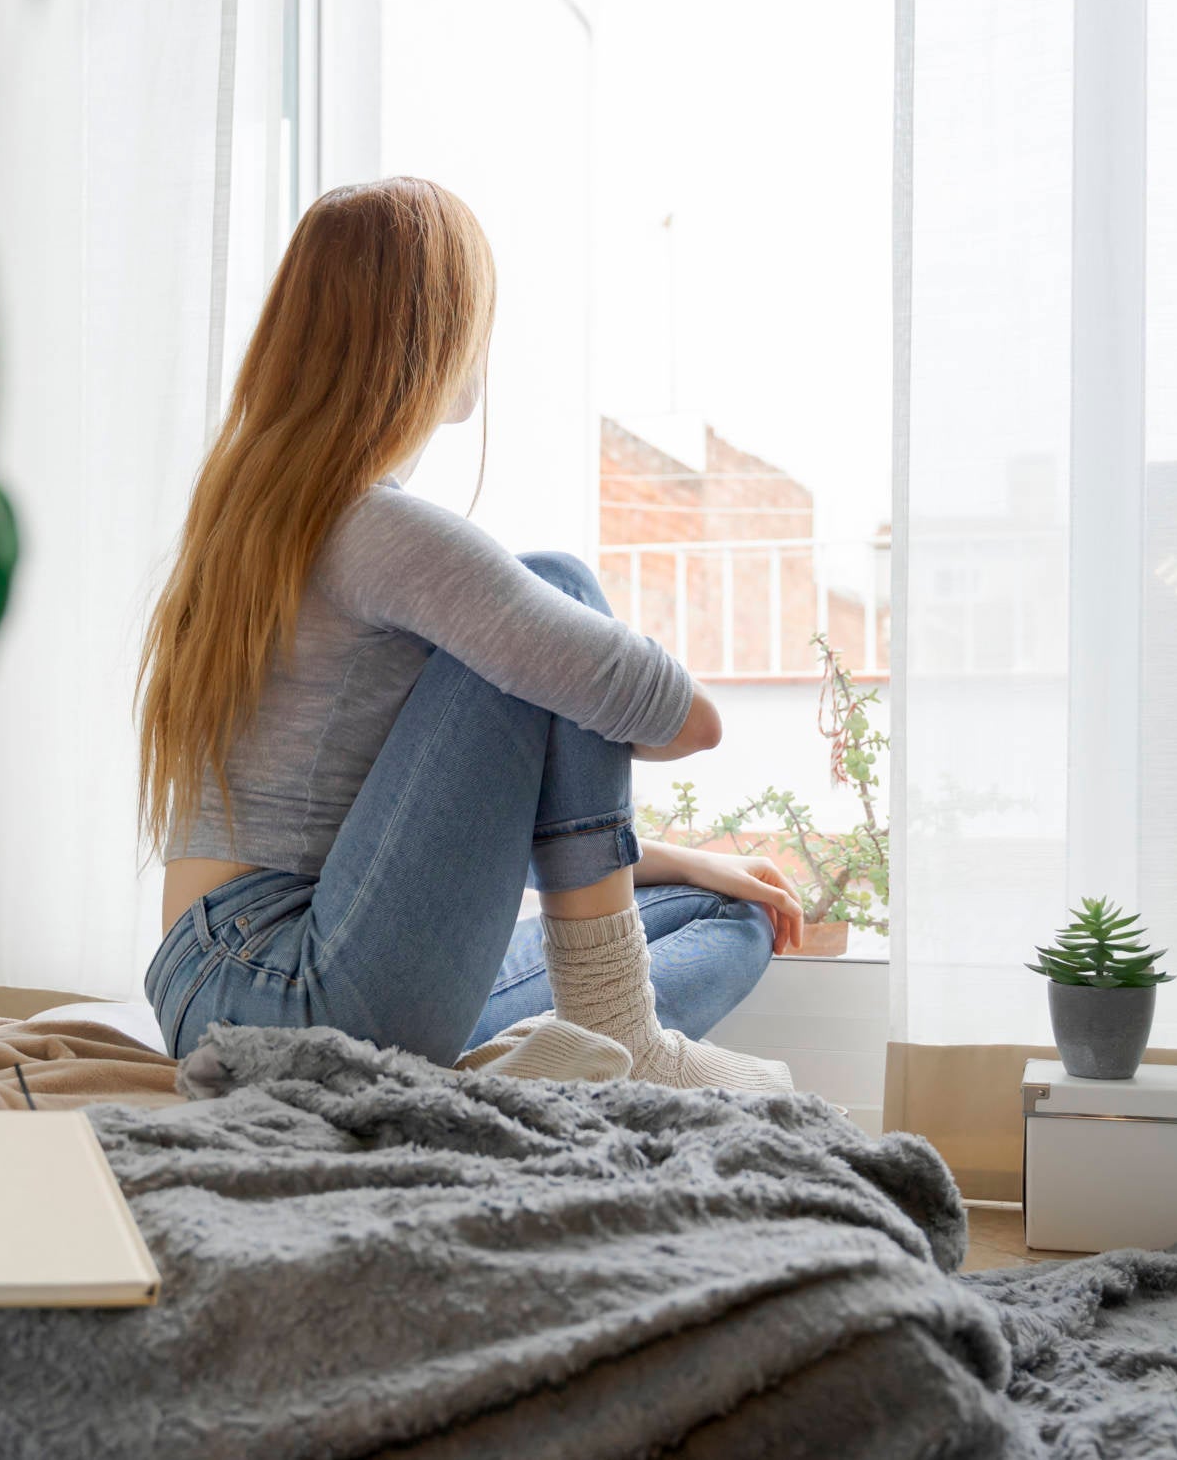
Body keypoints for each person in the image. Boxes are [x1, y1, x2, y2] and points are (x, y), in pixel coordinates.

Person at [136, 177, 799, 1088]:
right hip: (290, 986)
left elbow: (438, 856)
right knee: (553, 590)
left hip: (228, 980)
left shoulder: (261, 518)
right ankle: (622, 1039)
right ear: (438, 337)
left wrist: (674, 861)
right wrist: (574, 671)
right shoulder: (372, 527)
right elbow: (691, 720)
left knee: (726, 913)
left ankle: (555, 1050)